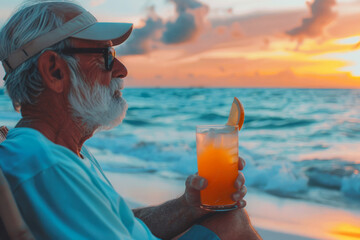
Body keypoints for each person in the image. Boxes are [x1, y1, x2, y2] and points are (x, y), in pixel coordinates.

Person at [0, 1, 262, 240]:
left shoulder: (60, 153)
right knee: (233, 223)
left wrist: (189, 206)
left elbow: (118, 225)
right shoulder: (48, 168)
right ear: (54, 71)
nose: (121, 69)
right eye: (106, 57)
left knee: (229, 217)